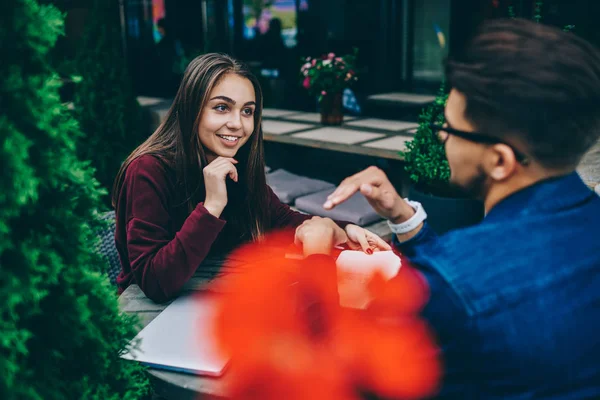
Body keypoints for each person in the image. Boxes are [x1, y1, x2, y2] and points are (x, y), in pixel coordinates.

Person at [294, 18, 600, 398]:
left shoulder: (451, 286)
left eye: (452, 128)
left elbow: (336, 375)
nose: (440, 134)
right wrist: (402, 216)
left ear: (500, 161)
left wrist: (317, 257)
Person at [112, 53, 389, 303]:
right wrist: (211, 207)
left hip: (216, 302)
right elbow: (154, 282)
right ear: (191, 109)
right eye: (222, 107)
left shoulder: (237, 166)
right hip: (146, 320)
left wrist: (342, 229)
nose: (237, 123)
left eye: (247, 111)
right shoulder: (148, 170)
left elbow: (280, 219)